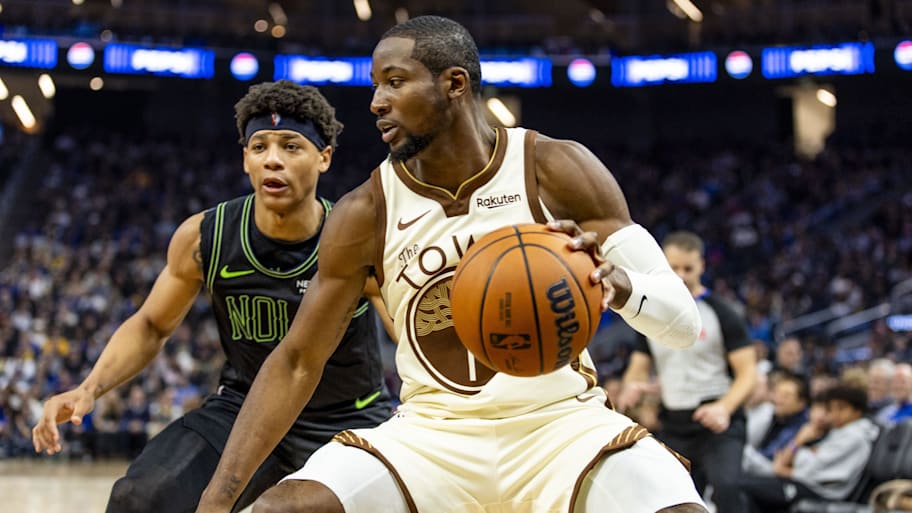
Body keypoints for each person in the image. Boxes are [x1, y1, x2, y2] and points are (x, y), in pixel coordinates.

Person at [196, 15, 707, 513]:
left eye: (395, 83)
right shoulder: (364, 211)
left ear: (454, 83)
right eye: (376, 85)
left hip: (562, 426)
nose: (376, 103)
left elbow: (684, 325)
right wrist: (217, 500)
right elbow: (296, 361)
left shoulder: (554, 167)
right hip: (432, 435)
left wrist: (616, 285)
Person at [31, 80, 393, 513]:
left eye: (292, 147)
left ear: (324, 157)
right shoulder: (205, 236)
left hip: (347, 419)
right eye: (259, 147)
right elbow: (151, 325)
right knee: (140, 498)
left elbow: (409, 333)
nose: (273, 159)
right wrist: (89, 388)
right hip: (242, 411)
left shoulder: (356, 240)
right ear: (245, 159)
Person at [618, 230, 757, 512]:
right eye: (673, 268)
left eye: (688, 268)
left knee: (727, 487)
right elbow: (638, 368)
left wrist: (724, 408)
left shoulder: (722, 312)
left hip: (718, 420)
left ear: (702, 266)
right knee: (670, 497)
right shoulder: (652, 315)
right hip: (674, 422)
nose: (680, 275)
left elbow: (748, 372)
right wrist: (633, 386)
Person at [739, 385, 879, 513]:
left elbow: (813, 469)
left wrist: (787, 469)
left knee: (746, 489)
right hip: (801, 483)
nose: (835, 414)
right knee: (741, 483)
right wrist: (799, 440)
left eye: (841, 408)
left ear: (857, 411)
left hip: (819, 492)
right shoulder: (835, 432)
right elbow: (790, 460)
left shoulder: (855, 436)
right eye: (832, 409)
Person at [742, 370, 811, 477]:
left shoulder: (802, 424)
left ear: (801, 402)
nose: (778, 399)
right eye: (777, 393)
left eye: (786, 396)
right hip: (764, 467)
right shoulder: (775, 417)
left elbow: (774, 456)